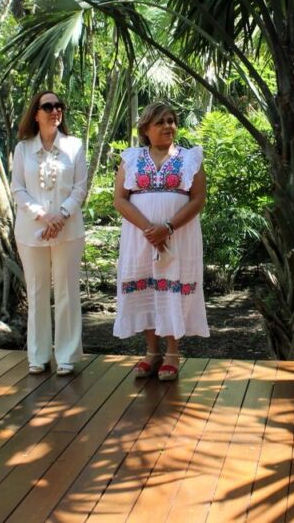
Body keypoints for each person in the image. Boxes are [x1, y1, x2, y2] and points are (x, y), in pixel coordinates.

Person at [113, 102, 208, 381]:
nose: (168, 126)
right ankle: (152, 352)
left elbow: (198, 199)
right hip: (140, 237)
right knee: (146, 289)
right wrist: (149, 229)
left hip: (179, 236)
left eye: (171, 120)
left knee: (171, 288)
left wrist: (167, 228)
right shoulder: (131, 158)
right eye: (161, 122)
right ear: (145, 129)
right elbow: (119, 199)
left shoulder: (190, 157)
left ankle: (172, 353)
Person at [10, 91, 88, 376]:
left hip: (69, 230)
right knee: (37, 291)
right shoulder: (23, 149)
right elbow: (17, 188)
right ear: (36, 113)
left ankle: (66, 355)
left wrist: (62, 215)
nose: (55, 110)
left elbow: (80, 187)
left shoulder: (74, 146)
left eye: (59, 106)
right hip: (31, 231)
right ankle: (38, 355)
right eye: (48, 106)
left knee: (67, 290)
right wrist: (43, 216)